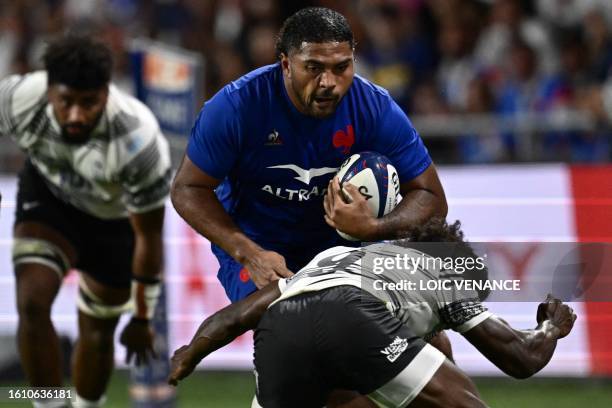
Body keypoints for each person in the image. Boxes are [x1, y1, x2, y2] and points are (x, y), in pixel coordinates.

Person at [170, 7, 447, 303]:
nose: (328, 82)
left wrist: (374, 227)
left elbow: (431, 197)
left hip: (341, 246)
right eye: (314, 68)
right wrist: (248, 253)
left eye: (341, 67)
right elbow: (188, 188)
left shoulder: (374, 108)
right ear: (286, 65)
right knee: (286, 326)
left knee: (425, 333)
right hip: (259, 243)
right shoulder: (236, 107)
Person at [168, 218, 577, 408]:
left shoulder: (335, 256)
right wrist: (551, 327)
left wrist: (188, 354)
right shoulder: (442, 271)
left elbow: (239, 315)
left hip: (280, 331)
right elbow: (521, 359)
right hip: (354, 317)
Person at [0, 35, 171, 408]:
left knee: (97, 335)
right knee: (32, 300)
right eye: (65, 102)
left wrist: (142, 317)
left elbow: (150, 235)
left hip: (113, 223)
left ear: (106, 95)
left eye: (88, 103)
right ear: (48, 93)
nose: (76, 115)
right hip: (48, 201)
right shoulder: (16, 97)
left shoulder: (139, 139)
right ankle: (49, 403)